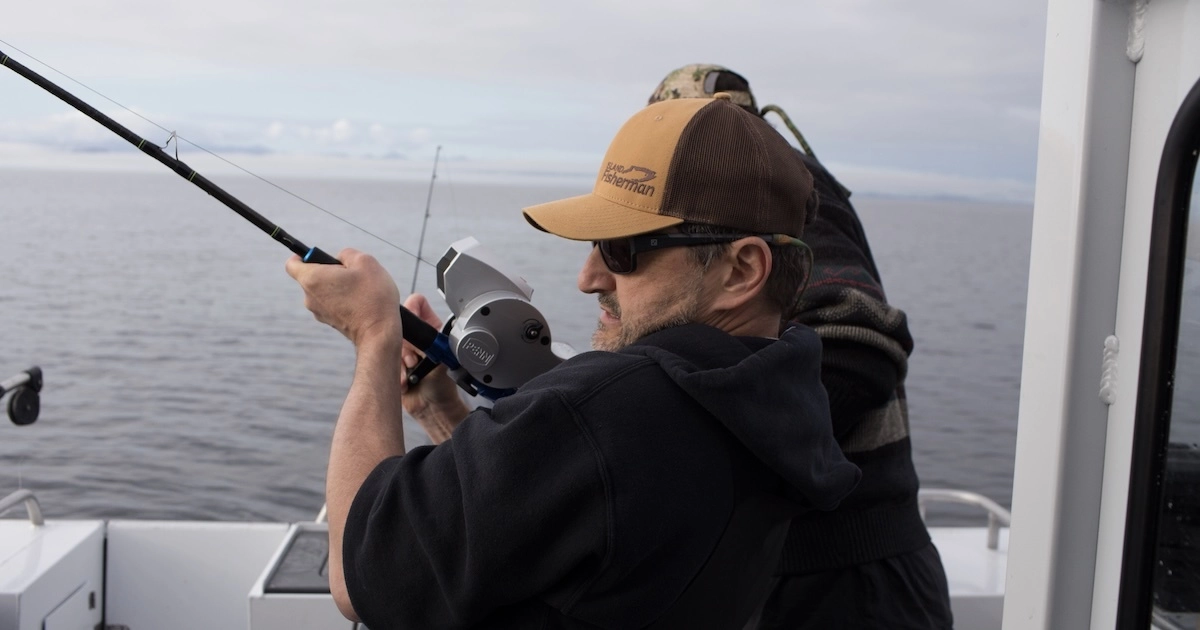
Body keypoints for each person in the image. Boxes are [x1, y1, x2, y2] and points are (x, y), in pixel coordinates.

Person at [286, 95, 862, 629]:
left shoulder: (608, 413)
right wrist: (439, 411)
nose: (589, 278)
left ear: (742, 270)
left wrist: (373, 335)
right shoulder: (781, 401)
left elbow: (363, 575)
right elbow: (558, 524)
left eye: (621, 250)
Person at [649, 64, 954, 629]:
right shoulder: (748, 190)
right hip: (793, 569)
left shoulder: (774, 183)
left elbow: (858, 342)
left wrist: (715, 454)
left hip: (849, 578)